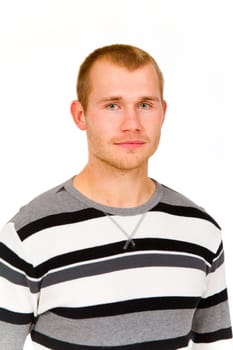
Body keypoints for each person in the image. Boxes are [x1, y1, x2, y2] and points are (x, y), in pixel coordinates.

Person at [0, 44, 232, 350]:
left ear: (163, 112)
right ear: (80, 115)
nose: (132, 123)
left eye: (145, 105)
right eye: (113, 105)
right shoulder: (29, 235)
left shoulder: (201, 231)